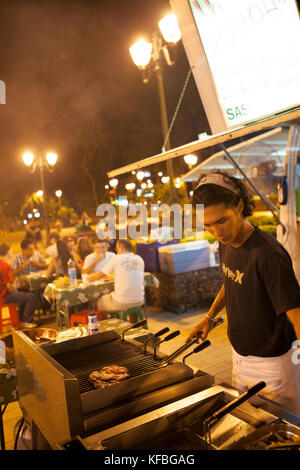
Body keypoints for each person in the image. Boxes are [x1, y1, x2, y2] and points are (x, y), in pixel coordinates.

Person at [186, 171, 300, 415]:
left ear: (239, 206)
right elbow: (231, 279)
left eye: (221, 221)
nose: (216, 231)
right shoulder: (226, 242)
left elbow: (297, 315)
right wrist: (209, 317)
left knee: (282, 434)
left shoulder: (268, 254)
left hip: (274, 367)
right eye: (207, 225)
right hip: (239, 358)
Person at [88, 239, 145, 312]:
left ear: (121, 248)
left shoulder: (117, 258)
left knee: (94, 302)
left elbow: (99, 275)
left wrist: (89, 277)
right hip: (140, 300)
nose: (116, 250)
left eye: (117, 248)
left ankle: (111, 321)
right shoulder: (139, 259)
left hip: (121, 302)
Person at [0, 243, 38, 328]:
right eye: (11, 250)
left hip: (2, 295)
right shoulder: (5, 265)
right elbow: (9, 285)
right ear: (8, 252)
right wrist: (16, 291)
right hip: (4, 296)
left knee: (22, 296)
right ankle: (26, 321)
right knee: (32, 297)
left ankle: (19, 320)